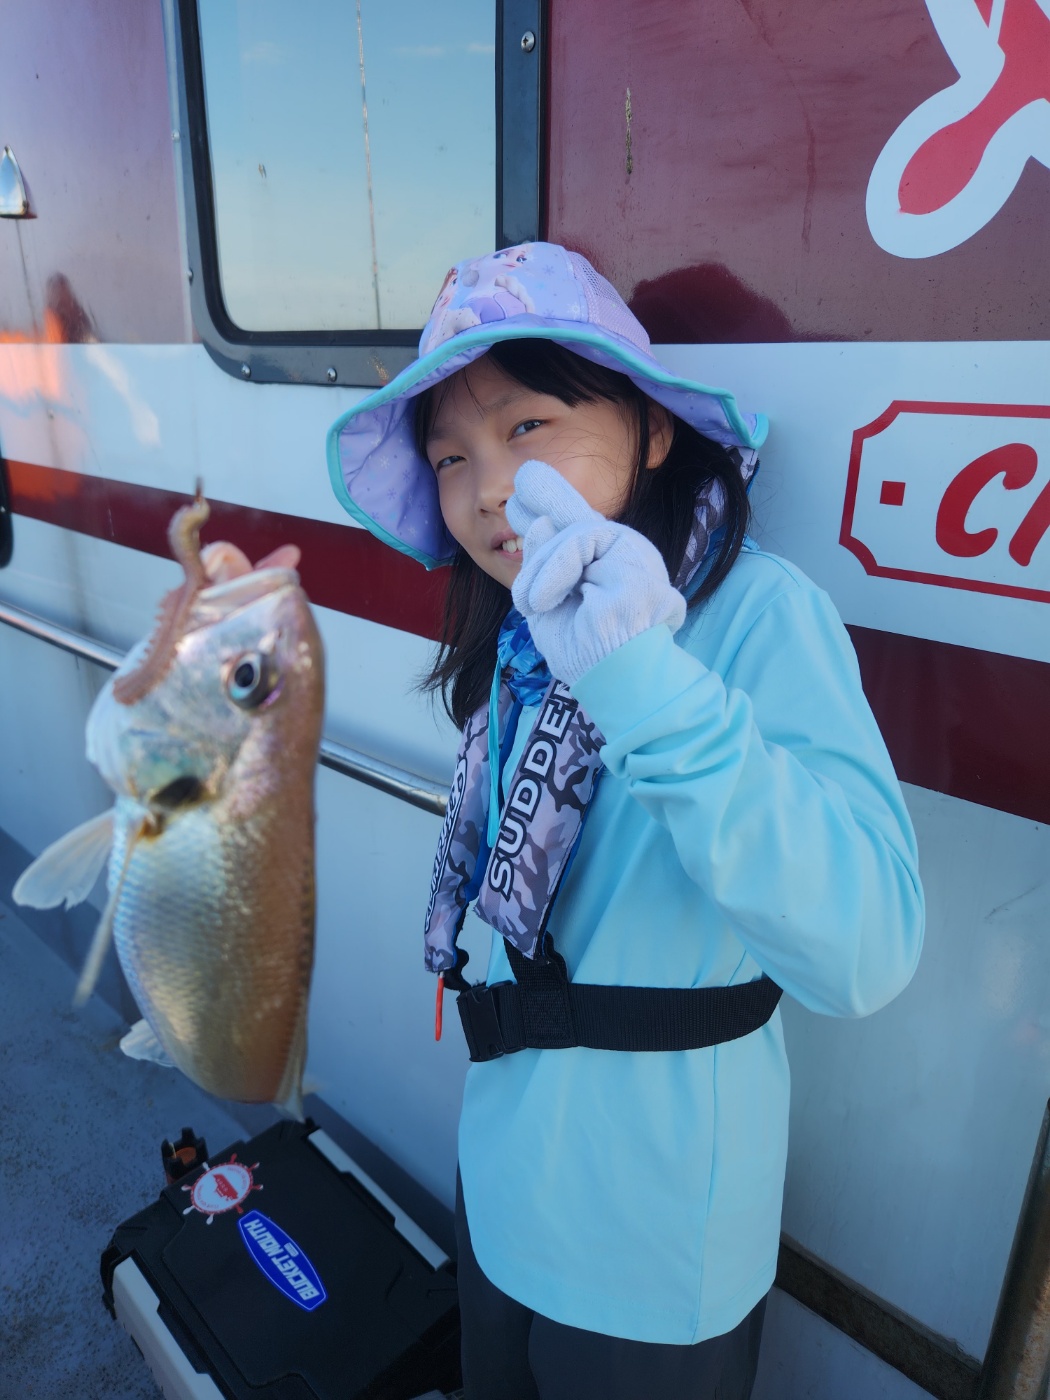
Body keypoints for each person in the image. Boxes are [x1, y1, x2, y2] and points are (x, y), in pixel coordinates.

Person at [326, 242, 924, 1400]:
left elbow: (870, 946)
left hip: (653, 1240)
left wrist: (646, 682)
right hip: (506, 1172)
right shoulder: (518, 633)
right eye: (450, 454)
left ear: (652, 428)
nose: (486, 486)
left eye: (527, 424)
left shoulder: (761, 613)